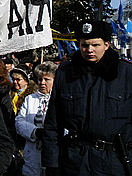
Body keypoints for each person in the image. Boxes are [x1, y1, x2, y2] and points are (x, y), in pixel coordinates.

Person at [42, 20, 132, 175]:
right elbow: (52, 123)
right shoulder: (66, 74)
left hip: (115, 161)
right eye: (84, 45)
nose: (89, 50)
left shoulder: (126, 73)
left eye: (95, 45)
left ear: (106, 44)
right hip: (75, 161)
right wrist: (52, 164)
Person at [15, 61, 57, 176]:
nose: (42, 83)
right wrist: (34, 132)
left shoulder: (59, 99)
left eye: (46, 79)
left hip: (52, 152)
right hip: (32, 151)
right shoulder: (30, 99)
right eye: (39, 79)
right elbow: (20, 121)